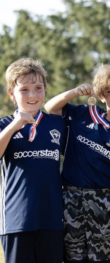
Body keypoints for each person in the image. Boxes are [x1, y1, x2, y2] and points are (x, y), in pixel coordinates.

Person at [45, 63, 110, 263]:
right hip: (70, 197)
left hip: (102, 199)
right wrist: (73, 92)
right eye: (108, 91)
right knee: (72, 256)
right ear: (100, 95)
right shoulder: (83, 113)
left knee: (104, 257)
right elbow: (50, 107)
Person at [0, 58, 66, 263]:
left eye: (38, 88)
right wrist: (13, 127)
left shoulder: (57, 123)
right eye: (24, 89)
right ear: (12, 93)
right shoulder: (4, 125)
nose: (32, 95)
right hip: (15, 221)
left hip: (53, 219)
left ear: (45, 89)